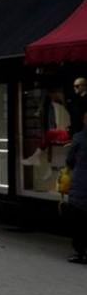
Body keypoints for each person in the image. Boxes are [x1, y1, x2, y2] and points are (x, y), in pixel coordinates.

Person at [66, 111, 87, 263]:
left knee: (78, 222)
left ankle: (80, 253)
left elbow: (70, 160)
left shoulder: (79, 137)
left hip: (81, 186)